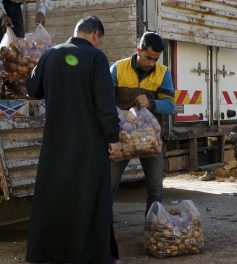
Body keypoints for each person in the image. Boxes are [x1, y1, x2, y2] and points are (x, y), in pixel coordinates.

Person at [25, 16, 122, 264]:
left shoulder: (50, 54)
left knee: (55, 199)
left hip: (56, 146)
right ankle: (97, 256)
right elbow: (105, 103)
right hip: (89, 145)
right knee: (93, 198)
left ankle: (46, 254)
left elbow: (33, 88)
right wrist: (113, 138)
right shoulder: (96, 57)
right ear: (95, 35)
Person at [110, 31, 175, 216]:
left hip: (150, 140)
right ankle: (103, 233)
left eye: (155, 59)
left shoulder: (163, 73)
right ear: (139, 50)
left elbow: (170, 106)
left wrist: (152, 103)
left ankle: (153, 230)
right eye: (148, 58)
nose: (151, 63)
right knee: (108, 186)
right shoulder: (118, 69)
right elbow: (104, 101)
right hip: (122, 139)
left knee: (155, 189)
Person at [0, 0, 51, 99]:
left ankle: (11, 86)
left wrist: (41, 11)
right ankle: (5, 86)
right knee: (3, 47)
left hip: (15, 6)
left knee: (17, 47)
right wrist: (2, 14)